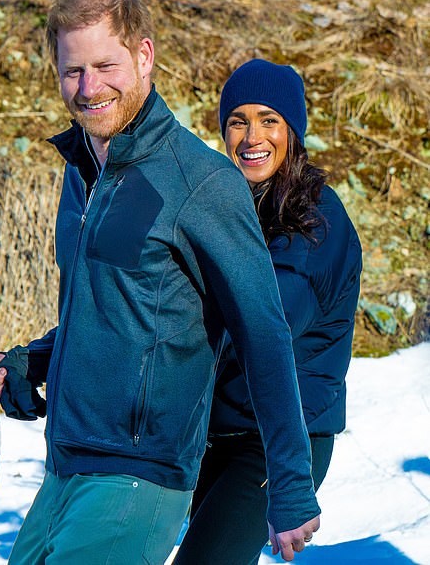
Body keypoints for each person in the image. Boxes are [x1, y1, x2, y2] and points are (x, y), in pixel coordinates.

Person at [0, 0, 321, 564]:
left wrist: (291, 485)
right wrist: (26, 362)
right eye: (73, 71)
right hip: (64, 468)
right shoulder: (81, 174)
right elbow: (110, 312)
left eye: (105, 65)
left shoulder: (200, 181)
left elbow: (263, 333)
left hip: (138, 478)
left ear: (144, 57)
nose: (89, 88)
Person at [174, 59, 363, 565]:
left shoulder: (317, 220)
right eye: (238, 120)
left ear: (293, 131)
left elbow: (265, 322)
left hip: (278, 440)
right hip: (215, 431)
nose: (251, 135)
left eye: (269, 120)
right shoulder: (227, 209)